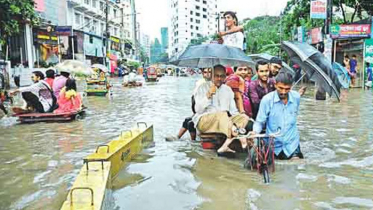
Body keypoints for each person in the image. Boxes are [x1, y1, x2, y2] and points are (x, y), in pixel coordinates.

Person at [193, 65, 250, 154]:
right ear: (211, 75)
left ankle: (226, 144)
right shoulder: (202, 87)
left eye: (222, 76)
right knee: (222, 114)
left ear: (225, 77)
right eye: (216, 76)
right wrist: (208, 96)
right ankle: (241, 136)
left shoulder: (228, 90)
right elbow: (197, 110)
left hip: (224, 121)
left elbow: (233, 111)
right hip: (204, 121)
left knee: (244, 117)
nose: (219, 78)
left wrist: (239, 116)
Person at [252, 70, 303, 160]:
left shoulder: (296, 97)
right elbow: (259, 122)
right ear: (275, 85)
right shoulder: (267, 100)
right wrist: (254, 133)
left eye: (287, 89)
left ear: (291, 87)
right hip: (273, 145)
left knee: (296, 166)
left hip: (292, 144)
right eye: (280, 88)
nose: (283, 92)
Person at [170, 68, 212, 141]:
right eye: (205, 72)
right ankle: (178, 137)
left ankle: (193, 141)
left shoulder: (214, 86)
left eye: (210, 72)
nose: (207, 74)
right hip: (201, 111)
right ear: (202, 73)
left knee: (191, 123)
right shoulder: (201, 84)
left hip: (208, 113)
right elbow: (196, 101)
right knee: (188, 120)